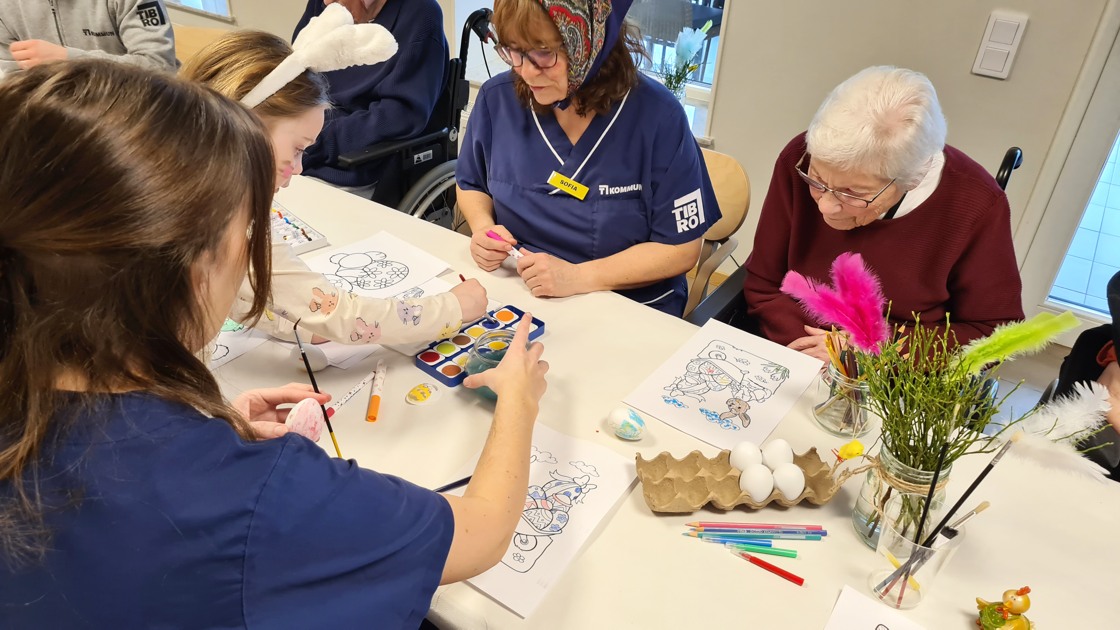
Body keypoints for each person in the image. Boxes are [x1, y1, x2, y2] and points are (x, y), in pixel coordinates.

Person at [0, 59, 549, 627]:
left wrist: (205, 428)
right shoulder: (253, 494)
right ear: (195, 268)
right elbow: (481, 534)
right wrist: (518, 403)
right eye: (243, 232)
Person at [181, 15, 487, 347]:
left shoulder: (189, 188)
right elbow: (343, 314)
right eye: (297, 148)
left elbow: (246, 291)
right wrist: (453, 306)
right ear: (244, 127)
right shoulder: (229, 224)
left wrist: (305, 325)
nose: (298, 168)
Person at [456, 0, 721, 317]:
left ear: (590, 43)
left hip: (627, 308)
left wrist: (579, 277)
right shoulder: (496, 100)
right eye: (513, 51)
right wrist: (484, 228)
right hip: (519, 296)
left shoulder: (658, 119)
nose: (525, 71)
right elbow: (471, 183)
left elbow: (681, 249)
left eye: (543, 53)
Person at [743, 66, 1024, 360]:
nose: (824, 206)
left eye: (854, 193)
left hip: (894, 376)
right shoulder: (798, 156)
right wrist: (814, 351)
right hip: (794, 352)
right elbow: (763, 283)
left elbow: (994, 332)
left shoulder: (976, 204)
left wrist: (871, 351)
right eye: (817, 180)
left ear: (913, 178)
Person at [292, 0, 449, 201]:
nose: (326, 3)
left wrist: (316, 141)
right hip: (303, 146)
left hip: (355, 163)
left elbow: (400, 116)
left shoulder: (420, 14)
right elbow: (296, 73)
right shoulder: (323, 4)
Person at [0, 0, 177, 73]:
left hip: (134, 106)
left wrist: (68, 60)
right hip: (56, 114)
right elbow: (11, 76)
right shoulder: (6, 7)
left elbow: (159, 67)